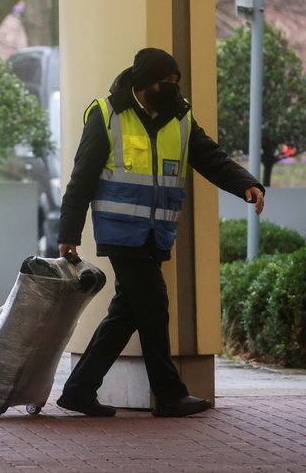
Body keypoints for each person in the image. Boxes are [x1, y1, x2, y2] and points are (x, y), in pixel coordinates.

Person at [54, 48, 265, 418]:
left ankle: (79, 389)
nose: (172, 88)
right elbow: (81, 179)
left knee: (128, 313)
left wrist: (245, 183)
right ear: (145, 82)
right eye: (166, 82)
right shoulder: (106, 115)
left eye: (175, 83)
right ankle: (169, 394)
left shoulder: (179, 115)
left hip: (157, 232)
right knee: (153, 307)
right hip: (120, 232)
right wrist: (69, 233)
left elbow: (209, 156)